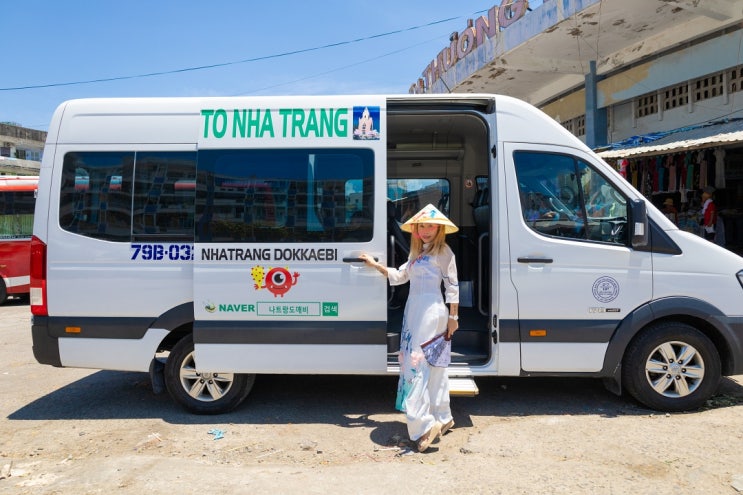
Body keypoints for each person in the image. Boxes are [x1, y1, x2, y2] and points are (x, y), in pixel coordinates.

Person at [359, 203, 459, 453]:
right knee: (433, 364)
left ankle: (423, 426)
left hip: (431, 311)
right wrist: (375, 265)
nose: (425, 231)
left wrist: (454, 317)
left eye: (430, 226)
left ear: (439, 229)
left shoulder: (443, 252)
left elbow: (452, 285)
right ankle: (443, 416)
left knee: (416, 365)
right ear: (415, 230)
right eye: (421, 226)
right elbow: (400, 276)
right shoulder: (418, 254)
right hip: (415, 310)